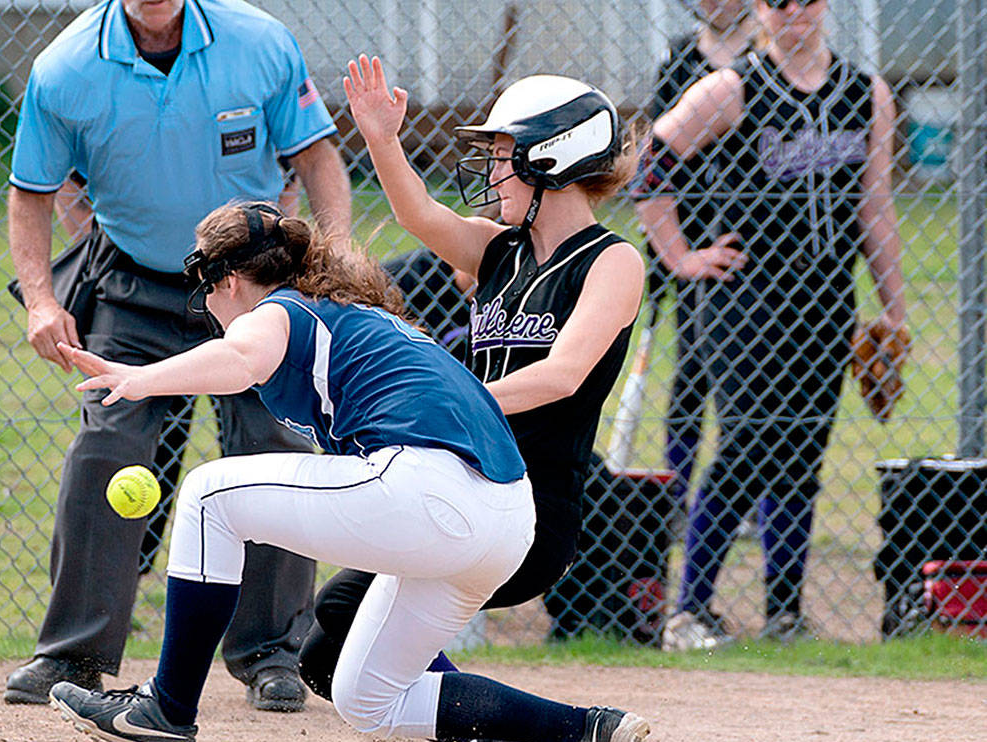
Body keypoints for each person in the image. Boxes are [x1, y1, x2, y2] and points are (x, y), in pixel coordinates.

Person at [47, 199, 649, 742]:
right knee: (370, 698)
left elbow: (243, 357)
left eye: (209, 286)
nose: (210, 304)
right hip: (503, 518)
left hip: (429, 488)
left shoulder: (279, 308)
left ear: (228, 280)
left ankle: (166, 712)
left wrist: (140, 377)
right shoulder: (354, 313)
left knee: (207, 496)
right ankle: (584, 734)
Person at [4, 0, 352, 708]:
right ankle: (74, 654)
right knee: (109, 447)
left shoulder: (259, 43)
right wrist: (42, 300)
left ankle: (270, 655)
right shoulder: (64, 69)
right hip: (134, 283)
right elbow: (29, 193)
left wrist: (334, 261)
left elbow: (318, 157)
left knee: (273, 444)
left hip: (252, 286)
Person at [300, 61, 649, 692]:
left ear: (554, 159)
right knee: (326, 655)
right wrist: (381, 136)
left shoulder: (612, 262)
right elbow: (416, 214)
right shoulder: (497, 252)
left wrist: (451, 402)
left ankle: (543, 739)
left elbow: (563, 375)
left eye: (504, 155)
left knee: (344, 612)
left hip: (532, 508)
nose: (491, 172)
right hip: (465, 492)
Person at [636, 0, 905, 645]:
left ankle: (784, 613)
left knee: (802, 452)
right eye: (776, 1)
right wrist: (680, 256)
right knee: (747, 446)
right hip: (743, 302)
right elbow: (650, 162)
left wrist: (895, 306)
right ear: (760, 10)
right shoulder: (733, 87)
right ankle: (688, 611)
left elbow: (875, 205)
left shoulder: (865, 93)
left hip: (826, 302)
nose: (793, 13)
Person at [637, 0, 757, 500]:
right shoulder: (681, 58)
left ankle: (746, 490)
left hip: (748, 232)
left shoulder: (764, 58)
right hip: (688, 231)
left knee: (749, 385)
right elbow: (658, 150)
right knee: (692, 369)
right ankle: (677, 489)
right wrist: (672, 247)